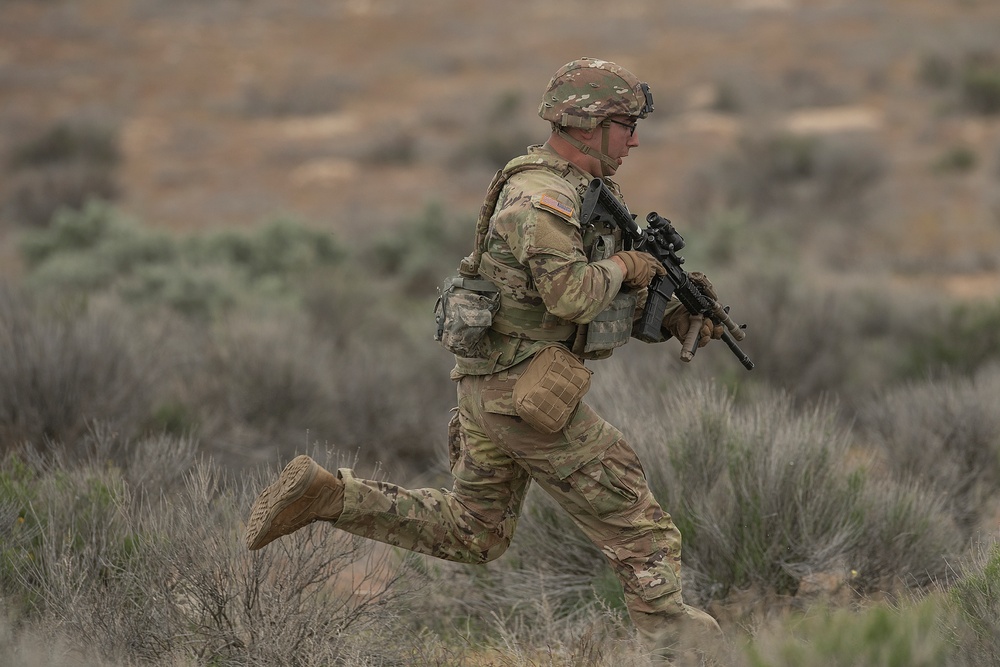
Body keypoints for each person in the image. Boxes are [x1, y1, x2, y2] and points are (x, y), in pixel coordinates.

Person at [245, 57, 724, 665]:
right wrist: (632, 268)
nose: (635, 138)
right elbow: (571, 293)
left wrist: (671, 314)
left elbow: (578, 309)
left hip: (501, 389)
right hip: (523, 397)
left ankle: (327, 496)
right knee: (643, 531)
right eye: (626, 124)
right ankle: (676, 651)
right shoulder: (541, 197)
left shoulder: (584, 189)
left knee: (474, 533)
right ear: (586, 124)